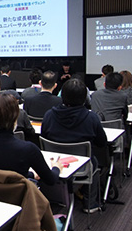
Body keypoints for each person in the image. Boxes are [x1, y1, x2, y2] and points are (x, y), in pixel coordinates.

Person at [41, 78, 107, 213]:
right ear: (85, 98)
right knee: (94, 160)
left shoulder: (49, 115)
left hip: (55, 163)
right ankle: (91, 204)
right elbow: (102, 142)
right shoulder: (92, 118)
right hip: (83, 167)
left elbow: (44, 137)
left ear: (62, 96)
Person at [0, 93, 61, 185]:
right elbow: (51, 180)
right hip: (18, 197)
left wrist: (31, 174)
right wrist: (56, 168)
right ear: (16, 117)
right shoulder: (28, 149)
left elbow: (0, 172)